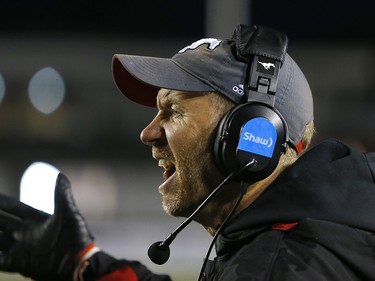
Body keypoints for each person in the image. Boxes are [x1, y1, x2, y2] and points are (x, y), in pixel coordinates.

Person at [0, 23, 374, 281]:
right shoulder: (303, 238)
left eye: (174, 112)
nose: (147, 133)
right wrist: (84, 264)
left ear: (251, 136)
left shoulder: (279, 266)